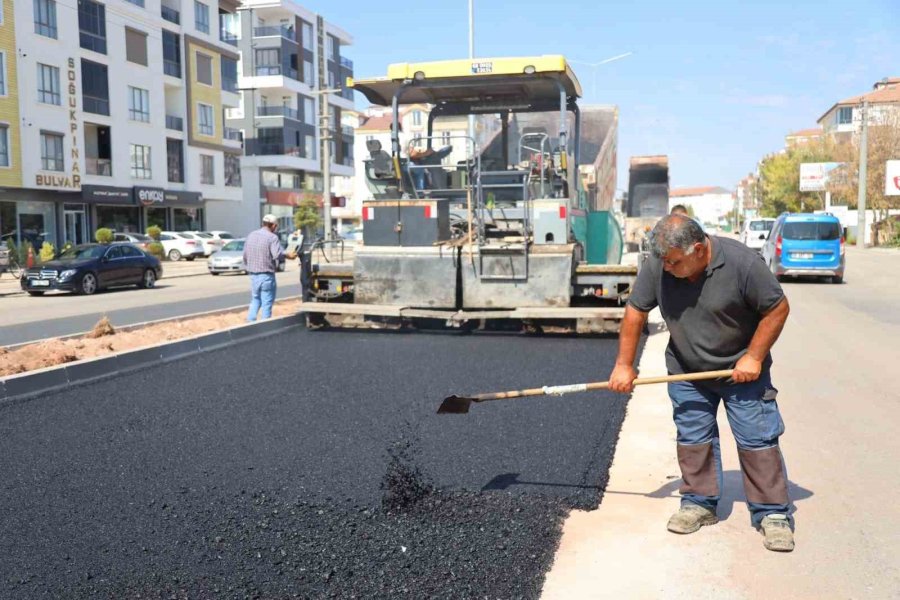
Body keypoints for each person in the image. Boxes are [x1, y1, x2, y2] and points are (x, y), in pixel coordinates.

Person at [609, 214, 794, 552]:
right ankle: (699, 503)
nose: (667, 268)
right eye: (663, 261)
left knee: (757, 439)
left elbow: (778, 309)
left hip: (742, 371)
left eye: (675, 262)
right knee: (693, 437)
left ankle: (772, 514)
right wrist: (623, 365)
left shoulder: (742, 264)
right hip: (687, 369)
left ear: (698, 249)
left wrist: (753, 357)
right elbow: (636, 311)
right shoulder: (660, 264)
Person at [243, 214, 285, 322]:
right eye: (276, 226)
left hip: (253, 275)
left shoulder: (251, 235)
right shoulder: (272, 237)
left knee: (255, 299)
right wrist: (287, 255)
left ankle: (250, 322)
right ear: (274, 226)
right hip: (266, 275)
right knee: (267, 303)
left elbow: (245, 255)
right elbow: (277, 255)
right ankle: (265, 324)